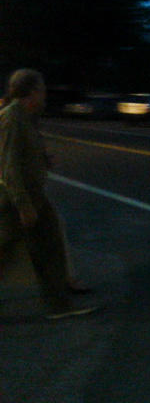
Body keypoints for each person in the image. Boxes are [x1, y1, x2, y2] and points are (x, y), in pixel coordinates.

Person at [0, 69, 97, 319]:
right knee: (8, 251)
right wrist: (23, 205)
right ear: (31, 92)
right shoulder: (12, 118)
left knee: (49, 247)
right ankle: (58, 305)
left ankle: (58, 305)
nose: (45, 95)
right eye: (42, 89)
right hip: (14, 198)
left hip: (33, 196)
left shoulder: (28, 116)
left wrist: (42, 159)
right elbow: (8, 165)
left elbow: (24, 153)